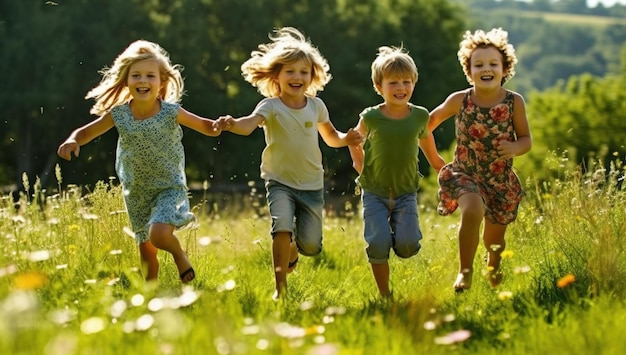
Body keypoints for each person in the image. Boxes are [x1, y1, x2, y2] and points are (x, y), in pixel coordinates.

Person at [214, 27, 363, 300]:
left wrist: (348, 138)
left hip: (311, 183)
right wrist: (231, 124)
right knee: (281, 226)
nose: (297, 77)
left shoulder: (316, 106)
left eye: (303, 72)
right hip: (278, 180)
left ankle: (294, 248)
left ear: (312, 76)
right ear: (277, 76)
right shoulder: (269, 106)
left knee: (311, 246)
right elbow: (247, 126)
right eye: (290, 71)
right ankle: (280, 289)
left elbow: (331, 138)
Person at [57, 40, 222, 284]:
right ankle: (149, 293)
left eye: (149, 76)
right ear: (126, 81)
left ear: (161, 82)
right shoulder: (120, 114)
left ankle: (179, 255)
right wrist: (73, 141)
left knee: (159, 234)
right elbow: (86, 132)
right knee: (146, 249)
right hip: (136, 191)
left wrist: (218, 126)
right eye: (136, 75)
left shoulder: (171, 112)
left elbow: (205, 126)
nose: (143, 81)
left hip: (168, 187)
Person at [426, 28, 532, 292]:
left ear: (505, 68)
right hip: (465, 174)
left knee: (494, 242)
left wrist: (514, 148)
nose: (487, 69)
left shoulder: (513, 102)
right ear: (469, 70)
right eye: (479, 64)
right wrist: (434, 157)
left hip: (500, 180)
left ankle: (493, 264)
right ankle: (465, 272)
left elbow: (526, 139)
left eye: (493, 64)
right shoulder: (459, 100)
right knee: (472, 210)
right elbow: (425, 125)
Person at [348, 46, 445, 297]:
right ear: (379, 87)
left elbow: (432, 154)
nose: (400, 87)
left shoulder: (420, 116)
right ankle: (385, 295)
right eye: (393, 82)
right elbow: (354, 141)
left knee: (408, 246)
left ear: (414, 83)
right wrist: (360, 167)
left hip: (405, 193)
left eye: (406, 81)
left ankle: (397, 238)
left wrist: (446, 172)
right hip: (374, 192)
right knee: (378, 244)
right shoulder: (371, 116)